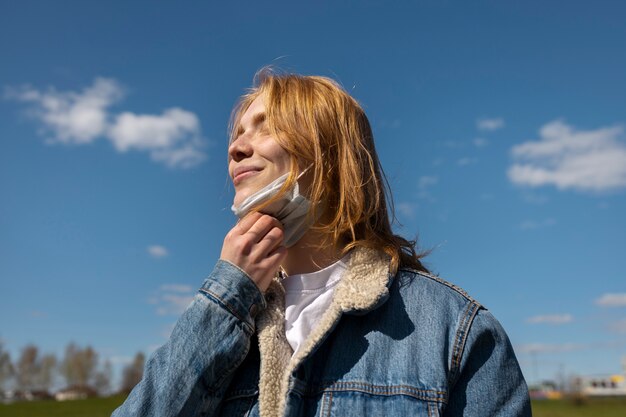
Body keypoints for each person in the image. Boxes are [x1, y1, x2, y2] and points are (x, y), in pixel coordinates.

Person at [112, 69, 531, 417]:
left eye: (266, 128)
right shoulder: (227, 318)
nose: (236, 148)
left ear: (330, 152)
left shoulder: (457, 329)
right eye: (238, 133)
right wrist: (226, 296)